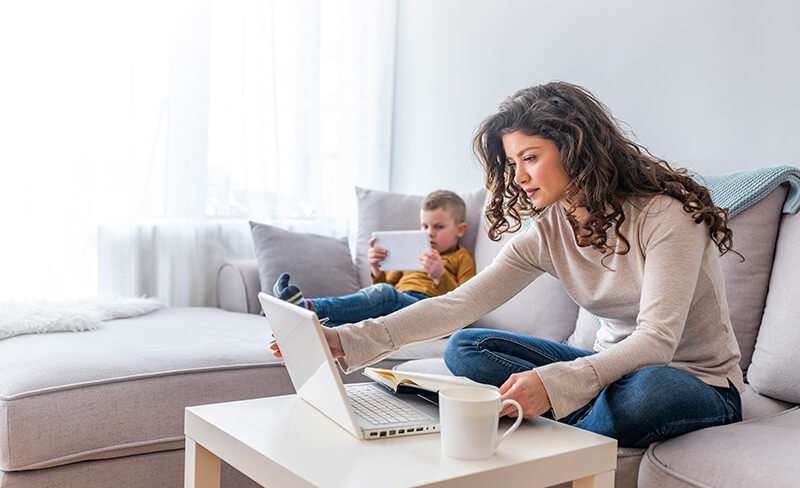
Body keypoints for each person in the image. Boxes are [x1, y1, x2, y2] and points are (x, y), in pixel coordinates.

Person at [271, 81, 744, 448]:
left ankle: (558, 422)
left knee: (647, 394)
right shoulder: (549, 230)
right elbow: (459, 304)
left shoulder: (666, 217)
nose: (517, 178)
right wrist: (347, 339)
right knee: (466, 347)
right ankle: (576, 412)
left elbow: (657, 341)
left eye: (530, 158)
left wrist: (560, 382)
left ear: (577, 149)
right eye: (512, 162)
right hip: (604, 371)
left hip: (692, 380)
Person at [272, 190, 476, 327]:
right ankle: (306, 325)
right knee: (361, 320)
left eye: (438, 227)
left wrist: (440, 276)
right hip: (400, 304)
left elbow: (465, 304)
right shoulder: (415, 249)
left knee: (384, 294)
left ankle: (305, 308)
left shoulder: (461, 257)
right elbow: (388, 285)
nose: (429, 233)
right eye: (424, 226)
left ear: (460, 230)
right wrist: (377, 269)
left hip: (430, 310)